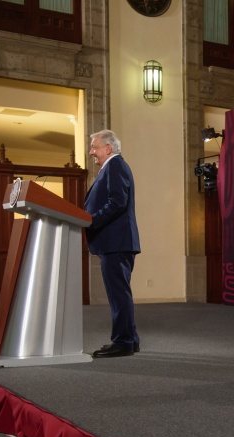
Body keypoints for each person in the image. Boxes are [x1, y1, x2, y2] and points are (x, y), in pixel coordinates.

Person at [85, 130, 141, 358]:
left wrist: (91, 220)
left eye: (94, 147)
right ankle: (130, 339)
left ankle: (123, 342)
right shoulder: (111, 167)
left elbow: (118, 202)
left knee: (119, 294)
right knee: (120, 293)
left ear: (108, 148)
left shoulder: (115, 165)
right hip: (116, 241)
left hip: (116, 242)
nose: (91, 152)